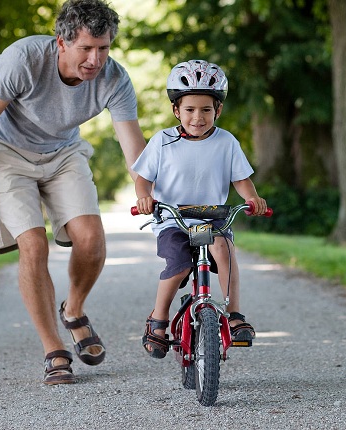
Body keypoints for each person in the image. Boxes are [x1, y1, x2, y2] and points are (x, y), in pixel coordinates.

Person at [0, 0, 146, 384]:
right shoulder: (22, 60)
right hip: (6, 154)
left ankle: (73, 310)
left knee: (91, 240)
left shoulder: (115, 79)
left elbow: (133, 146)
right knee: (34, 245)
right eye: (86, 49)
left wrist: (144, 191)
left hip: (63, 154)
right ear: (61, 42)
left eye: (104, 48)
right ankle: (53, 348)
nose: (95, 59)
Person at [132, 59, 268, 359]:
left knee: (224, 248)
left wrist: (253, 199)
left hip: (213, 218)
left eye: (206, 110)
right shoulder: (162, 141)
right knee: (178, 264)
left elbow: (241, 180)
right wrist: (144, 197)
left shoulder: (226, 142)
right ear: (176, 110)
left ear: (217, 110)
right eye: (190, 109)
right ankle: (158, 319)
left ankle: (234, 314)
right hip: (173, 219)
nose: (198, 117)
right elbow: (143, 180)